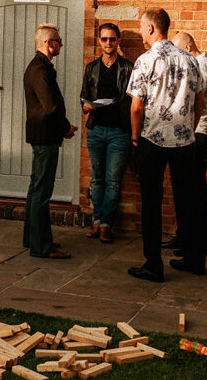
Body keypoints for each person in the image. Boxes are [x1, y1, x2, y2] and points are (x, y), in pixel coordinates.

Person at [126, 8, 204, 282]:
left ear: (150, 28)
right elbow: (200, 101)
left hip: (152, 140)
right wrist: (189, 129)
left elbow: (136, 106)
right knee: (188, 200)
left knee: (151, 201)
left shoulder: (145, 61)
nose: (140, 33)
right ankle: (195, 259)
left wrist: (135, 138)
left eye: (141, 27)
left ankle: (153, 264)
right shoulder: (189, 59)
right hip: (184, 141)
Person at [22, 22, 77, 259]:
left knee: (36, 190)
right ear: (48, 43)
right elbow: (50, 107)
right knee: (41, 192)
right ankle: (41, 246)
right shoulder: (40, 70)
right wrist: (65, 128)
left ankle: (32, 240)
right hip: (45, 137)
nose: (61, 44)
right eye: (58, 40)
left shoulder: (39, 67)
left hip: (43, 136)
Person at [164, 32, 207, 260]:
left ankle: (198, 243)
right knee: (182, 188)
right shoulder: (195, 63)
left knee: (195, 190)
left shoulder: (203, 65)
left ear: (188, 46)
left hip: (198, 133)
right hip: (187, 132)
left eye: (180, 52)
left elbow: (193, 99)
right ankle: (184, 235)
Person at [80, 22, 133, 243]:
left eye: (112, 39)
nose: (108, 43)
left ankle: (106, 224)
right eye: (104, 39)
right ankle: (96, 220)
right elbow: (84, 94)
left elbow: (134, 100)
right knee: (97, 179)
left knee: (112, 180)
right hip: (96, 130)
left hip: (119, 132)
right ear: (99, 41)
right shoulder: (92, 68)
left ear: (118, 41)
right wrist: (85, 105)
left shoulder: (128, 68)